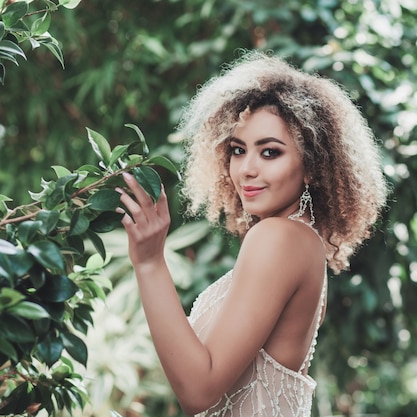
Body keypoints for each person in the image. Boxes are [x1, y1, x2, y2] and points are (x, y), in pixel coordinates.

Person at [115, 50, 388, 416]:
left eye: (270, 152)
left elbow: (198, 390)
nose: (246, 169)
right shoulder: (302, 243)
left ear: (311, 167)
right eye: (238, 150)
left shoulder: (280, 238)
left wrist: (150, 264)